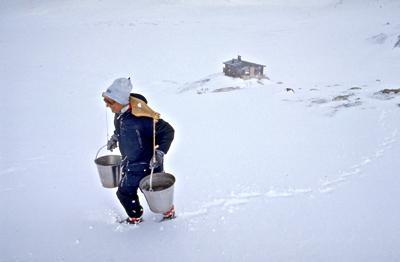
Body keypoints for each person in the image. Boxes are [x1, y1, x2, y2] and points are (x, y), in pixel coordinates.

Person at [102, 77, 175, 224]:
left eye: (110, 102)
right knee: (135, 192)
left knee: (144, 192)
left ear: (121, 100)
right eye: (106, 101)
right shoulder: (119, 115)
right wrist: (115, 138)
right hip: (131, 162)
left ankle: (146, 215)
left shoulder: (143, 118)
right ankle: (145, 214)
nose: (107, 106)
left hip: (147, 163)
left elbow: (168, 131)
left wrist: (159, 152)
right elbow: (121, 130)